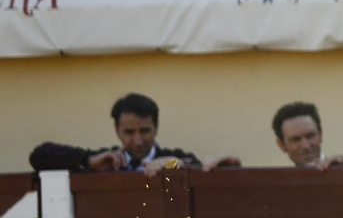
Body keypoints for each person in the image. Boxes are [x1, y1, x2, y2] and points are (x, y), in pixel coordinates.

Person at [29, 93, 228, 175]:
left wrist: (172, 164)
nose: (138, 141)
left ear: (156, 128)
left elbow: (194, 166)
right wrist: (88, 160)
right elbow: (39, 156)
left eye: (145, 131)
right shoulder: (105, 160)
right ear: (117, 131)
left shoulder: (172, 156)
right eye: (129, 132)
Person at [273, 101, 343, 169]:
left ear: (320, 135)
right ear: (281, 145)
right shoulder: (278, 185)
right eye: (296, 139)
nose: (305, 146)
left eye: (310, 136)